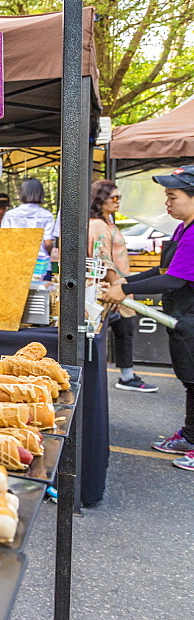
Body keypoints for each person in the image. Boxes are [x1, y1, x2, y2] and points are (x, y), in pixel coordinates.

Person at [104, 165, 194, 469]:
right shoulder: (183, 228)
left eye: (173, 196)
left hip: (190, 314)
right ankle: (190, 436)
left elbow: (172, 282)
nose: (167, 203)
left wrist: (126, 289)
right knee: (190, 381)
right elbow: (164, 270)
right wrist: (125, 283)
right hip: (183, 315)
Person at [88, 180, 157, 393]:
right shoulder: (98, 224)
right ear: (100, 200)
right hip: (109, 288)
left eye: (120, 198)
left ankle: (125, 375)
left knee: (123, 331)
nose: (118, 202)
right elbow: (103, 259)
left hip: (117, 285)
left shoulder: (107, 222)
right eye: (114, 198)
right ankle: (121, 377)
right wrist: (118, 287)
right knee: (111, 332)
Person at [1, 178, 59, 275]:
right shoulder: (47, 215)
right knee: (40, 289)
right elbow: (48, 243)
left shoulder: (10, 215)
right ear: (40, 193)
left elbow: (5, 240)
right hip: (41, 265)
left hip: (16, 263)